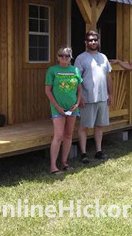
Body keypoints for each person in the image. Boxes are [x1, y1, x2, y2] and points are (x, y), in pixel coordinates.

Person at [74, 30, 112, 163]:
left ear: (98, 41)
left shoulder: (103, 57)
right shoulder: (81, 58)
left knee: (99, 125)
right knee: (84, 126)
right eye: (90, 40)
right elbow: (77, 80)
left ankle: (99, 151)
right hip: (87, 98)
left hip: (102, 98)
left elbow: (107, 76)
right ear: (86, 42)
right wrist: (80, 97)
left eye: (95, 40)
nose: (93, 42)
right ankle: (83, 153)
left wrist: (110, 94)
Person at [45, 46, 83, 175]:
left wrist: (77, 103)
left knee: (68, 135)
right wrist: (57, 106)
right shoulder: (52, 70)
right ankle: (53, 166)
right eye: (61, 55)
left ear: (70, 57)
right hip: (58, 108)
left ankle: (64, 162)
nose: (64, 58)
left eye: (67, 55)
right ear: (57, 57)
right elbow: (48, 91)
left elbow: (79, 89)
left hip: (72, 108)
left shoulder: (75, 70)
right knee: (58, 136)